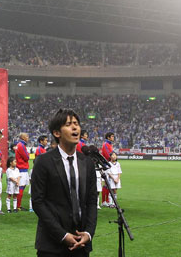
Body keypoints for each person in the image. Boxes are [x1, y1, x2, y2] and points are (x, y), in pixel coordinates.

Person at [31, 108, 98, 256]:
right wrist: (62, 235)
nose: (75, 128)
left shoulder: (87, 162)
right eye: (68, 124)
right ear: (57, 133)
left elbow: (92, 201)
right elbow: (38, 202)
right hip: (52, 246)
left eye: (76, 123)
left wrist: (88, 232)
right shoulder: (43, 162)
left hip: (81, 244)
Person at [15, 133, 30, 211]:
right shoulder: (21, 145)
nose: (28, 137)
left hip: (21, 168)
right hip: (22, 169)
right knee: (21, 187)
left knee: (22, 187)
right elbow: (27, 157)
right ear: (23, 137)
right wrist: (28, 154)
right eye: (26, 136)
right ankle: (18, 206)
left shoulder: (19, 145)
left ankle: (18, 205)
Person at [101, 132, 115, 206]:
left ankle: (107, 201)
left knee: (108, 183)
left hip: (109, 165)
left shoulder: (109, 144)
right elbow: (108, 155)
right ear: (108, 137)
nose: (113, 137)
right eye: (112, 136)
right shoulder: (106, 144)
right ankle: (104, 201)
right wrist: (113, 158)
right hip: (106, 165)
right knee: (106, 183)